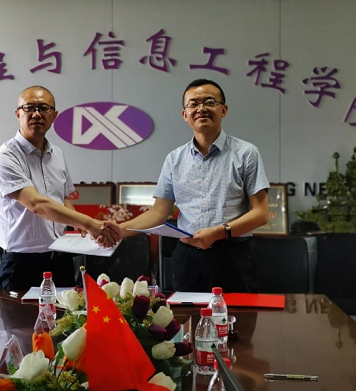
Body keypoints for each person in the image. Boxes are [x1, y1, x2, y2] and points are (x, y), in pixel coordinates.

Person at [103, 79, 269, 292]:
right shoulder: (174, 159)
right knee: (186, 314)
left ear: (223, 110)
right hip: (188, 258)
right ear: (185, 114)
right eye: (193, 104)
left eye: (210, 102)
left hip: (233, 256)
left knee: (237, 314)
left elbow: (261, 213)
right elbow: (158, 213)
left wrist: (219, 232)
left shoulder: (246, 153)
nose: (201, 108)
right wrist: (120, 230)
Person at [0, 86, 118, 290]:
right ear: (18, 114)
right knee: (17, 313)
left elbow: (62, 198)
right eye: (29, 108)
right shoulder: (5, 157)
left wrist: (86, 230)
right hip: (21, 263)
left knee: (65, 311)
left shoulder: (56, 153)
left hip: (60, 260)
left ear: (54, 116)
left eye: (43, 108)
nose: (36, 114)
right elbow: (37, 204)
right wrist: (90, 223)